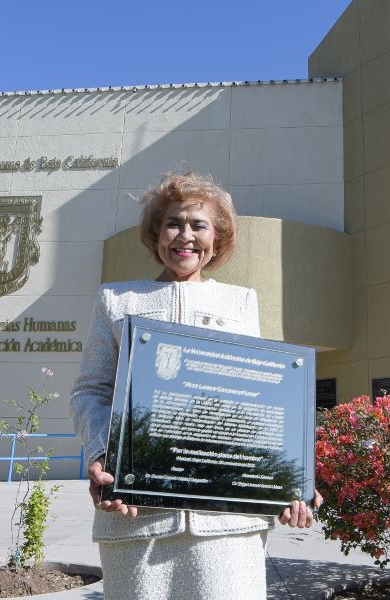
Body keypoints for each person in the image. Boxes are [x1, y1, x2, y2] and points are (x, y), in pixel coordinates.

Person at [69, 172, 322, 600]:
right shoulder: (117, 300)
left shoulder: (241, 302)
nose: (185, 236)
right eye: (173, 223)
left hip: (226, 524)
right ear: (155, 234)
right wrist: (101, 453)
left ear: (217, 237)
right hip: (138, 515)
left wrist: (288, 482)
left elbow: (257, 398)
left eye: (198, 225)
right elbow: (90, 391)